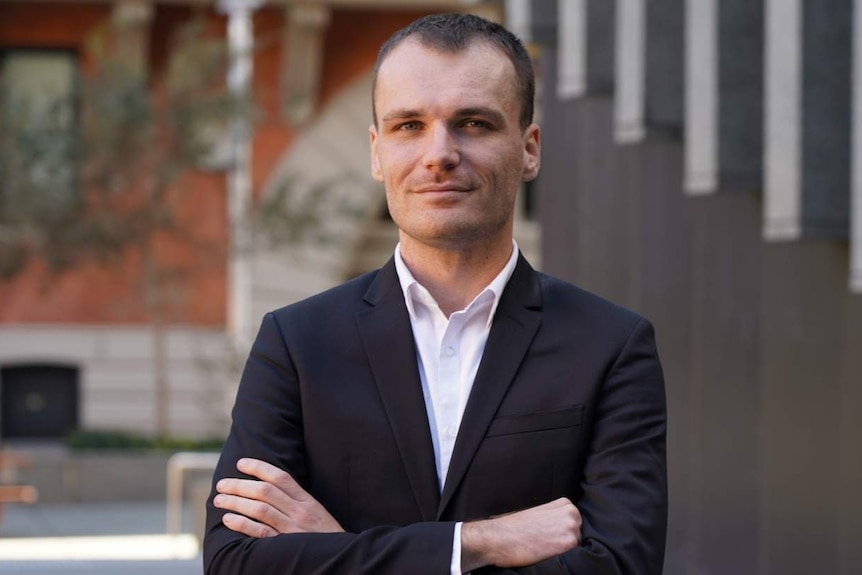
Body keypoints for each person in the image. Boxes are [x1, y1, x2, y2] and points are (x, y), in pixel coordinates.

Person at [203, 12, 667, 575]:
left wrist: (337, 548)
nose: (439, 153)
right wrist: (476, 543)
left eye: (473, 123)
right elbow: (235, 563)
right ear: (377, 152)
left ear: (529, 149)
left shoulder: (611, 345)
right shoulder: (297, 343)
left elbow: (621, 566)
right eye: (408, 126)